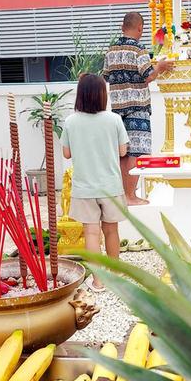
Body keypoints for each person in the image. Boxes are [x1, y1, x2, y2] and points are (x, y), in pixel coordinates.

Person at [61, 73, 129, 292]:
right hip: (110, 185)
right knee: (111, 231)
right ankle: (116, 277)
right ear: (102, 95)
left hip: (84, 187)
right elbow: (122, 150)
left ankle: (98, 282)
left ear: (80, 95)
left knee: (91, 233)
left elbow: (67, 153)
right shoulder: (114, 119)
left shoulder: (71, 121)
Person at [103, 11, 174, 205]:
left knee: (122, 152)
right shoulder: (138, 49)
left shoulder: (111, 49)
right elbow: (148, 76)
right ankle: (130, 195)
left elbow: (106, 76)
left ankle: (122, 196)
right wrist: (159, 66)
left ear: (122, 26)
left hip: (117, 109)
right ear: (140, 28)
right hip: (137, 107)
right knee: (136, 152)